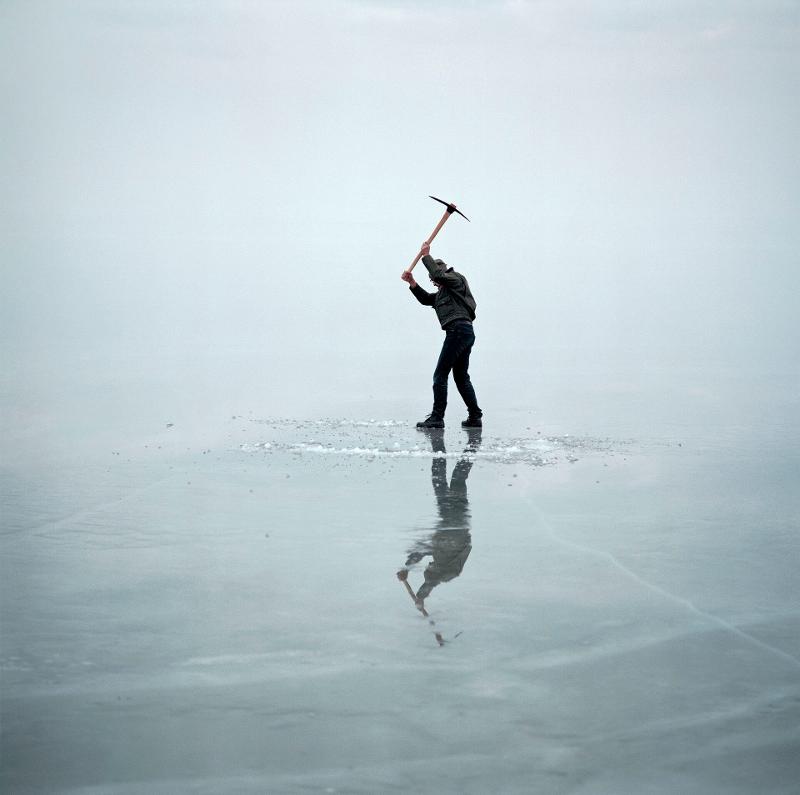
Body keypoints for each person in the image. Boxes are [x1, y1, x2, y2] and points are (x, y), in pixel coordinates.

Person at [400, 242, 483, 429]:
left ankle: (437, 418)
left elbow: (439, 275)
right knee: (461, 377)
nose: (434, 282)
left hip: (458, 331)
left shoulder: (456, 279)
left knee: (440, 375)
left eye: (434, 278)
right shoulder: (443, 294)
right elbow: (426, 299)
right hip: (464, 332)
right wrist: (412, 283)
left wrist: (426, 255)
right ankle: (475, 417)